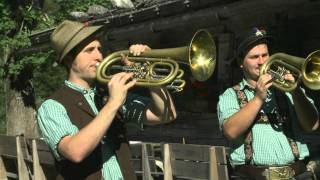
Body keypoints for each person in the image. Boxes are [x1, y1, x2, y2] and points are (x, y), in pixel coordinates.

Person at [37, 20, 177, 180]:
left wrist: (148, 72)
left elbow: (166, 114)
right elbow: (75, 151)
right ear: (69, 60)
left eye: (99, 49)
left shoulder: (109, 93)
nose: (99, 56)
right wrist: (113, 103)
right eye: (89, 50)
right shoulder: (52, 106)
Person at [217, 27, 319, 179]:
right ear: (240, 62)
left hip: (298, 175)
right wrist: (258, 98)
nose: (262, 62)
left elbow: (313, 125)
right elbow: (230, 131)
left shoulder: (288, 90)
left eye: (265, 55)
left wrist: (296, 91)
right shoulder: (230, 95)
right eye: (254, 57)